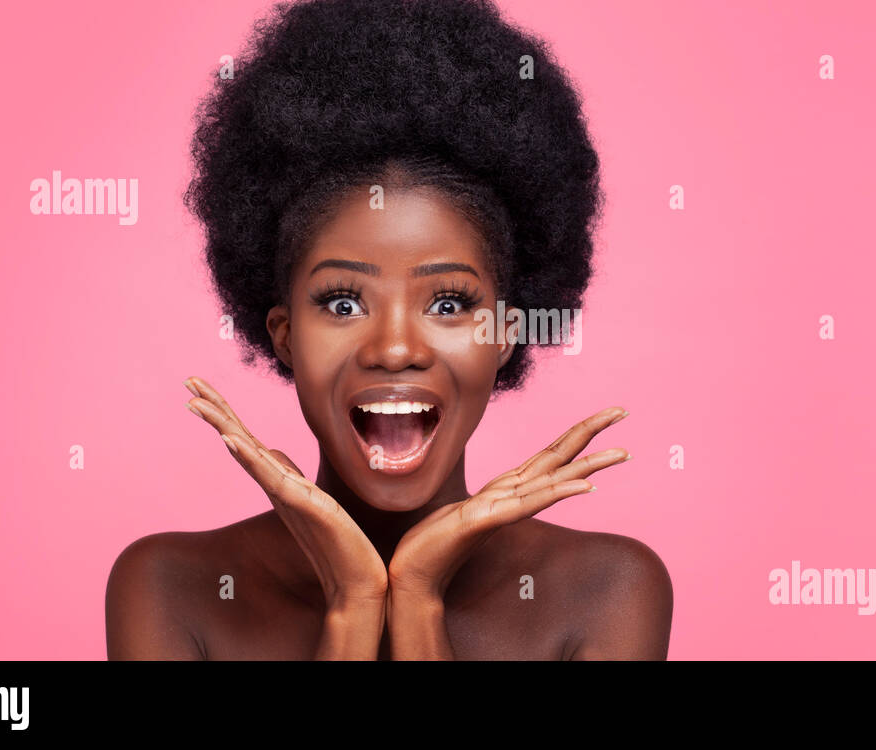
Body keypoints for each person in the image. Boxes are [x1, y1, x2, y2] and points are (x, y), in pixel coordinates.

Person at [105, 0, 672, 660]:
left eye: (449, 303)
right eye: (345, 303)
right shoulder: (173, 588)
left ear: (506, 333)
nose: (394, 348)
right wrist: (354, 607)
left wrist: (418, 601)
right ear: (285, 334)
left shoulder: (609, 592)